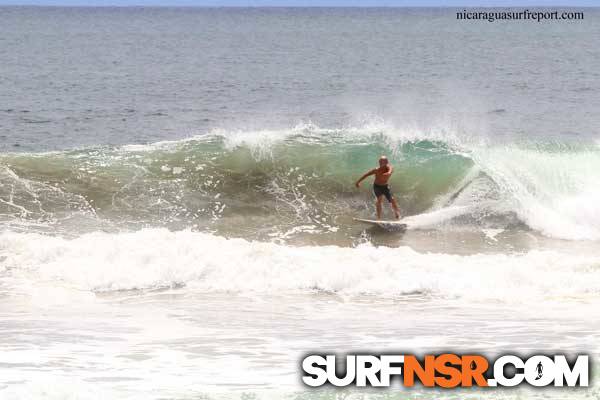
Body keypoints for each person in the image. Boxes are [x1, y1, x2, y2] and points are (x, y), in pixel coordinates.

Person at [355, 155, 401, 220]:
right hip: (377, 187)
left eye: (382, 162)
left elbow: (390, 171)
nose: (380, 163)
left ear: (386, 162)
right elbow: (366, 175)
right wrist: (358, 182)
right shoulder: (376, 170)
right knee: (379, 200)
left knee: (392, 200)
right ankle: (378, 218)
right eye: (380, 162)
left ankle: (397, 214)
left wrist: (388, 173)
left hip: (385, 187)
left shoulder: (389, 168)